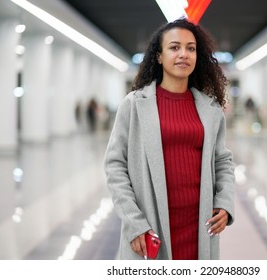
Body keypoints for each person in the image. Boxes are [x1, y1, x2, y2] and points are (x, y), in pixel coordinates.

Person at [104, 18, 235, 260]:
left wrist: (225, 202)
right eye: (174, 47)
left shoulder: (211, 110)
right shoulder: (134, 105)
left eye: (191, 48)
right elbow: (115, 166)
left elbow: (222, 162)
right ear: (159, 56)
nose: (183, 54)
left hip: (199, 227)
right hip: (150, 226)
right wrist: (135, 223)